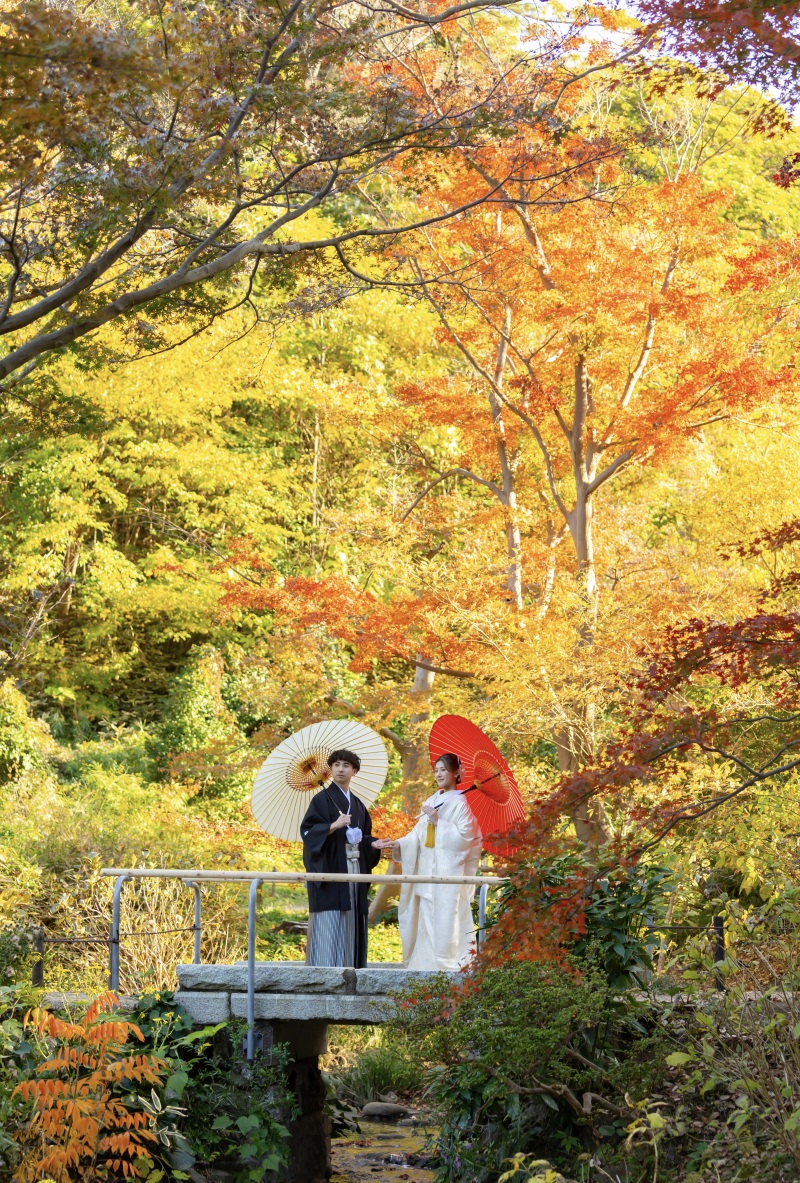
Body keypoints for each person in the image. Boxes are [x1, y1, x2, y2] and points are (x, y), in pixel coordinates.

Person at [391, 752, 482, 971]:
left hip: (446, 874)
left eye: (444, 770)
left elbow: (464, 841)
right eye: (436, 770)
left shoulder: (461, 804)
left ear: (456, 773)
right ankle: (423, 967)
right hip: (426, 872)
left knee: (445, 923)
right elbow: (417, 835)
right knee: (425, 923)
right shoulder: (433, 800)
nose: (439, 774)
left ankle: (446, 966)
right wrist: (398, 844)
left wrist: (439, 822)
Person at [300, 748, 387, 968]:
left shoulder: (357, 805)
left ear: (354, 771)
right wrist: (333, 826)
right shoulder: (320, 800)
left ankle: (352, 969)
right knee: (330, 919)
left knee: (353, 915)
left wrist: (372, 843)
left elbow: (363, 836)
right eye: (336, 765)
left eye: (346, 765)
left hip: (355, 868)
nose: (340, 769)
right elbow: (308, 833)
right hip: (331, 870)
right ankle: (325, 970)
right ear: (330, 770)